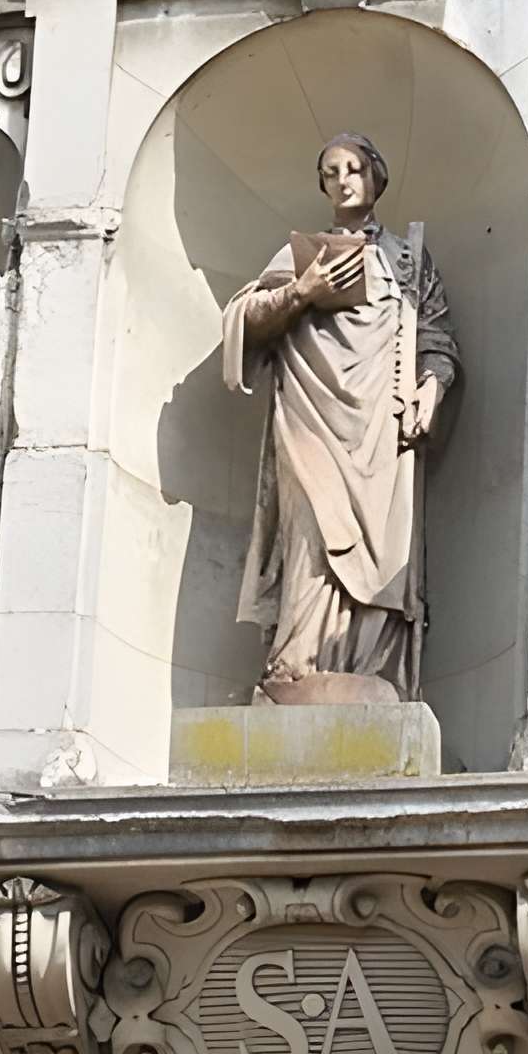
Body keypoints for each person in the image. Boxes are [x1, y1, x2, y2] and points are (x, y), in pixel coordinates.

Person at [220, 134, 458, 704]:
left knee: (382, 546)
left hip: (381, 428)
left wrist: (432, 386)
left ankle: (371, 667)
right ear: (323, 184)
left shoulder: (406, 259)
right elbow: (245, 317)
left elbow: (437, 338)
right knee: (310, 532)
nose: (345, 178)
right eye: (331, 171)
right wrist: (303, 291)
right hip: (309, 417)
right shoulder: (303, 254)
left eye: (355, 168)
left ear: (377, 177)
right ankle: (296, 661)